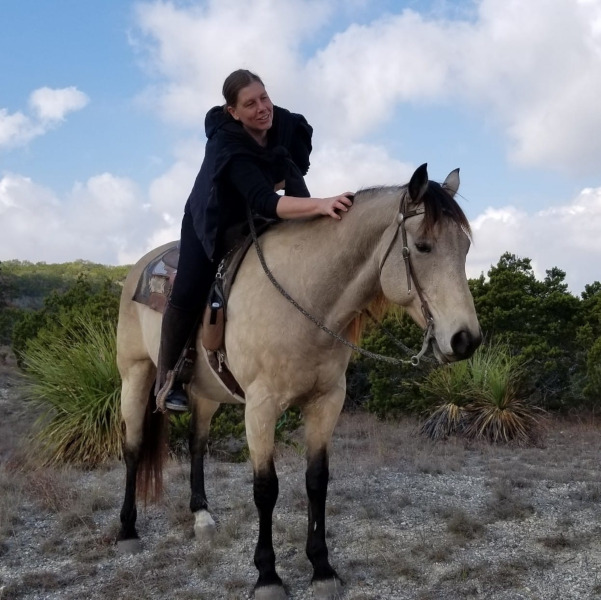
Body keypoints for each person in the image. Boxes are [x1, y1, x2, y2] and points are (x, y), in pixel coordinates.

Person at [157, 69, 354, 411]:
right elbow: (267, 201)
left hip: (256, 214)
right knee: (189, 288)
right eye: (250, 104)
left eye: (264, 97)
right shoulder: (226, 144)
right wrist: (320, 203)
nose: (262, 108)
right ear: (232, 112)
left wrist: (312, 211)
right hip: (215, 219)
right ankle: (168, 379)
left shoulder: (283, 123)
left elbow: (291, 170)